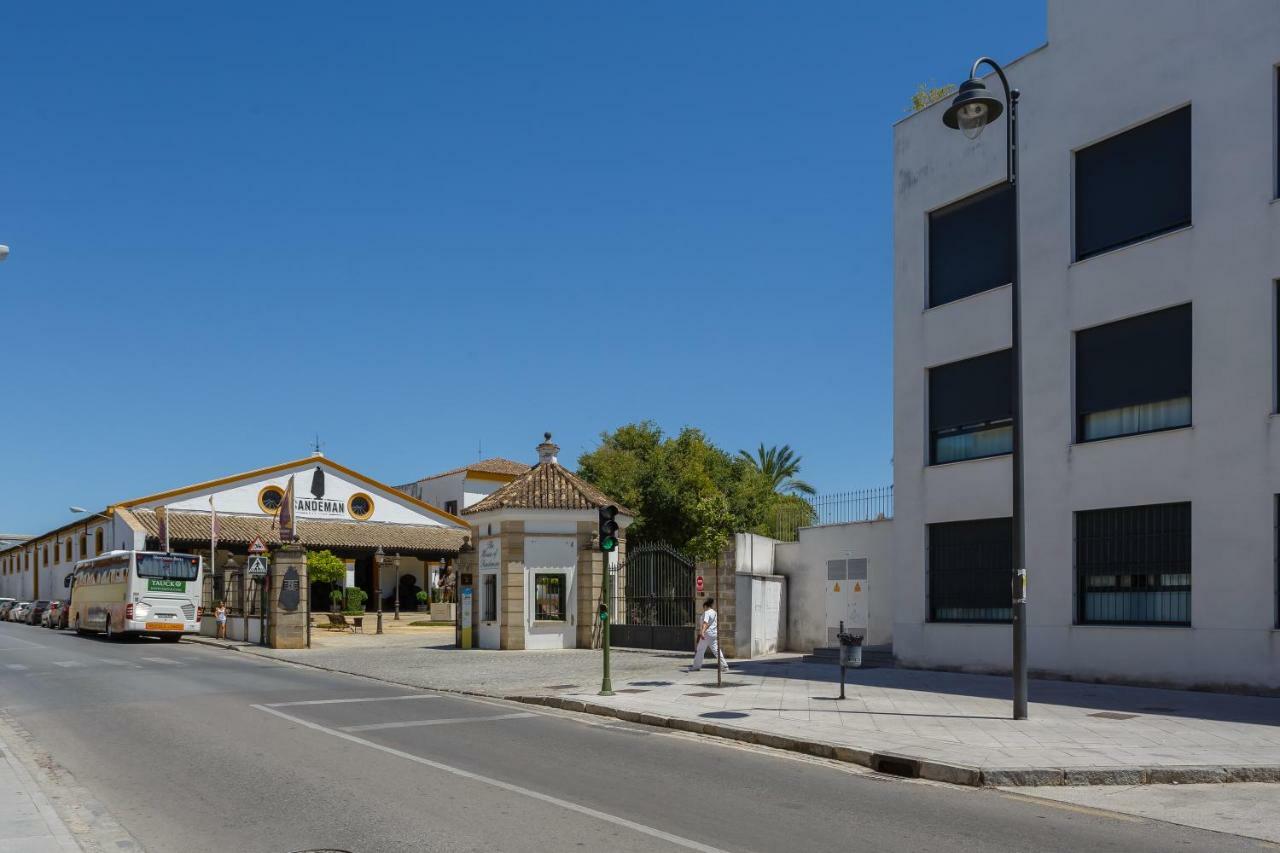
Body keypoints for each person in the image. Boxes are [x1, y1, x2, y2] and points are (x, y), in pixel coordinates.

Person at [690, 598, 728, 672]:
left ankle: (696, 666)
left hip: (707, 634)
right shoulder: (714, 613)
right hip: (713, 634)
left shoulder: (707, 613)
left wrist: (702, 632)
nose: (703, 609)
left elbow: (705, 623)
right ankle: (724, 666)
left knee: (700, 650)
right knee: (716, 650)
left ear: (706, 606)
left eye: (703, 607)